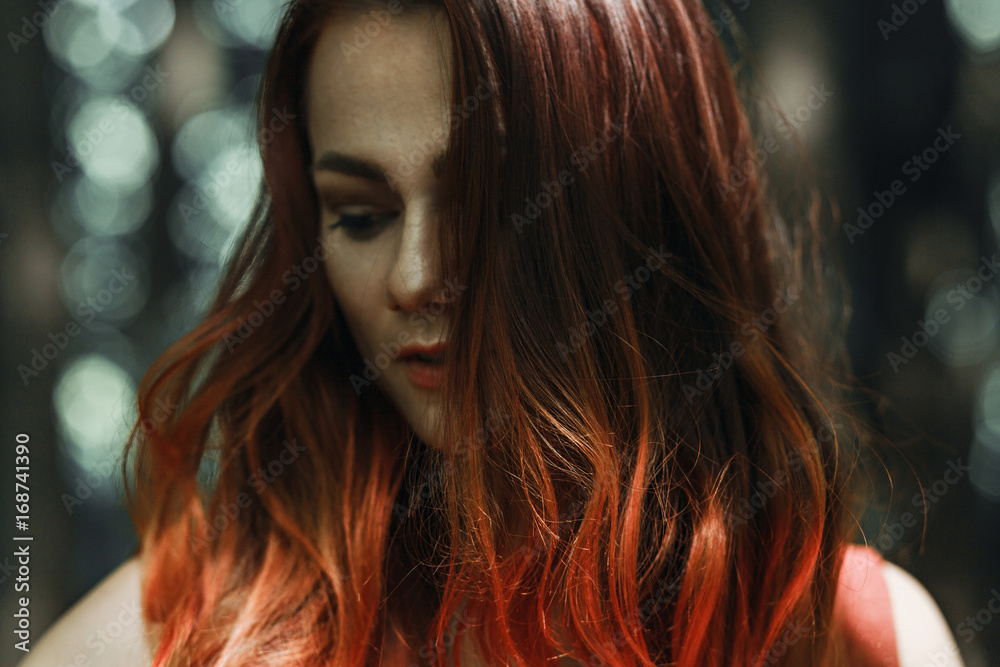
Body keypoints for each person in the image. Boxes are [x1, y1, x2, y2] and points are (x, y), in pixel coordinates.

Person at [25, 1, 965, 666]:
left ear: (632, 201)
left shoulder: (856, 641)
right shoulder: (202, 632)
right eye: (359, 215)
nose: (414, 276)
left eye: (483, 201)